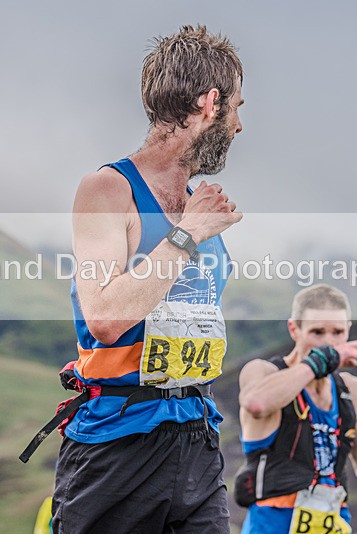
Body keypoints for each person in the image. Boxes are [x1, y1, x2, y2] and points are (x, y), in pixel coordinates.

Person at [51, 25, 244, 534]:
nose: (240, 125)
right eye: (238, 107)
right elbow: (106, 317)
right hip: (118, 445)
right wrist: (186, 236)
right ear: (210, 103)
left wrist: (194, 227)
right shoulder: (107, 190)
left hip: (196, 437)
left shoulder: (201, 205)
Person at [234, 284, 357, 533]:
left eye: (337, 332)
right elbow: (256, 403)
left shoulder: (351, 391)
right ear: (295, 329)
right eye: (317, 332)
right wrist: (319, 362)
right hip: (273, 524)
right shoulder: (265, 373)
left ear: (348, 331)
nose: (328, 343)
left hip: (332, 521)